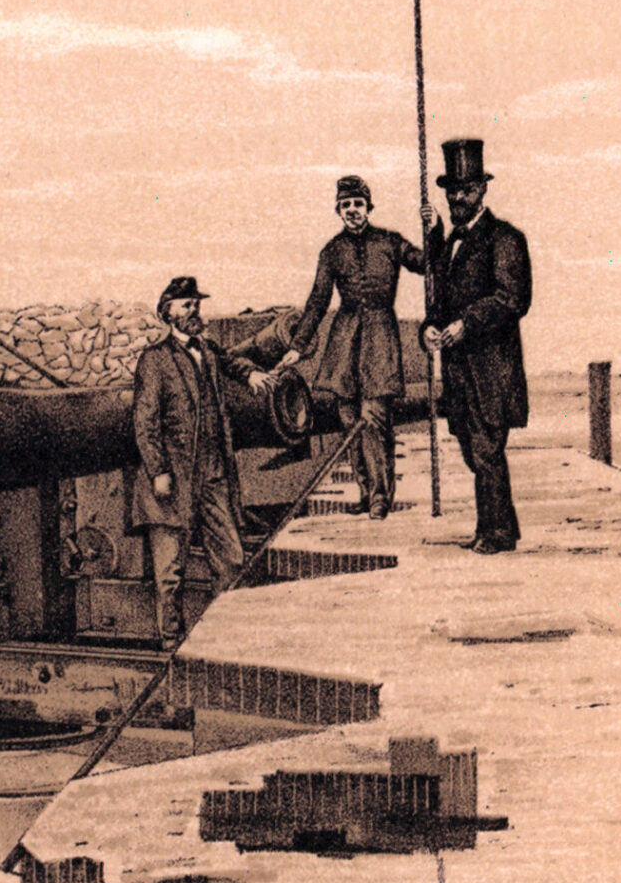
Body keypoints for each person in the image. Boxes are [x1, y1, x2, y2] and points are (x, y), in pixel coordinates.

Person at [131, 276, 275, 641]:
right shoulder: (154, 360)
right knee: (169, 573)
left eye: (196, 304)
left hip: (212, 475)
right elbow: (144, 422)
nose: (193, 311)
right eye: (185, 305)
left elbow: (232, 362)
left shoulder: (207, 349)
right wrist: (158, 471)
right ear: (167, 312)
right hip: (173, 480)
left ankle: (222, 634)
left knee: (231, 559)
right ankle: (171, 643)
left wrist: (253, 373)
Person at [413, 138, 532, 553]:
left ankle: (496, 534)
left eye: (466, 190)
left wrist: (467, 324)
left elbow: (512, 299)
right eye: (452, 191)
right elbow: (436, 304)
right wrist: (429, 329)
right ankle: (499, 527)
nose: (458, 198)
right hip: (459, 371)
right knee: (471, 448)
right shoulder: (447, 245)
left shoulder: (505, 238)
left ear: (483, 189)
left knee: (485, 450)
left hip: (491, 369)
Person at [277, 174, 416, 517]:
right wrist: (299, 343)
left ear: (369, 207)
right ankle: (366, 491)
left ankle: (382, 495)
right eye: (346, 206)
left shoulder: (391, 242)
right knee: (349, 419)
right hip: (344, 340)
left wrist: (434, 228)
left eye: (357, 204)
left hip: (380, 338)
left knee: (374, 418)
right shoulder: (332, 251)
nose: (352, 210)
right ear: (338, 210)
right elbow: (318, 300)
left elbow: (426, 263)